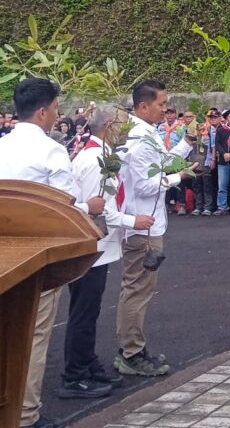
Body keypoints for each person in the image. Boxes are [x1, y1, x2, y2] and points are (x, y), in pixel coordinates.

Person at [0, 78, 106, 428]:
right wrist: (91, 206)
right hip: (37, 253)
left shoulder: (2, 146)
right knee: (31, 333)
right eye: (57, 108)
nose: (57, 115)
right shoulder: (51, 151)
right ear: (44, 111)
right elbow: (70, 207)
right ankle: (25, 413)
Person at [62, 107, 156, 399]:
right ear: (110, 127)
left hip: (98, 247)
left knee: (90, 310)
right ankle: (75, 373)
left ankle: (86, 364)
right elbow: (98, 210)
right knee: (84, 312)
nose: (127, 132)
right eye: (124, 126)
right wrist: (133, 222)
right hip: (91, 246)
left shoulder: (100, 156)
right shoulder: (94, 161)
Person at [115, 79, 196, 377]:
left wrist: (187, 143)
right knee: (137, 290)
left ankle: (132, 345)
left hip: (147, 223)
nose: (166, 110)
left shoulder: (145, 134)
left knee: (139, 289)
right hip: (142, 226)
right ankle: (131, 352)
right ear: (143, 106)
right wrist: (180, 177)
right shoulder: (139, 139)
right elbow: (149, 184)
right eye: (161, 104)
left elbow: (164, 163)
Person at [191, 108, 220, 216]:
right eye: (208, 117)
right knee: (197, 185)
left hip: (207, 161)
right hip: (196, 161)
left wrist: (213, 159)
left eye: (213, 117)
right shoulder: (197, 128)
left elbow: (213, 146)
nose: (210, 119)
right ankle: (198, 206)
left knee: (207, 185)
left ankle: (208, 206)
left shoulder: (211, 130)